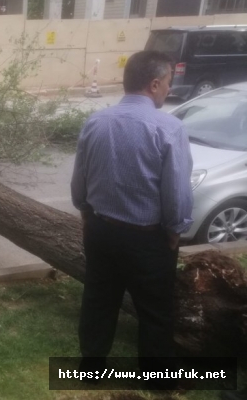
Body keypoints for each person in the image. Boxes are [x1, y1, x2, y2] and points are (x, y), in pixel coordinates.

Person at [70, 50, 194, 390]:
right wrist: (175, 230)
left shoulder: (96, 121)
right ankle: (157, 382)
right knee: (155, 310)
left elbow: (79, 179)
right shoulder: (169, 128)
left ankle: (91, 370)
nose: (169, 88)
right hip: (147, 239)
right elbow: (176, 193)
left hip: (99, 230)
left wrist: (84, 211)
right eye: (169, 82)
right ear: (154, 84)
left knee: (98, 299)